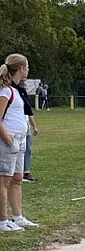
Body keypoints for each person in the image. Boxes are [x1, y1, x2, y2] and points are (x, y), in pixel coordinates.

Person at [0, 54, 38, 231]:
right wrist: (8, 139)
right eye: (27, 66)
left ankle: (18, 217)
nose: (28, 70)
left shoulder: (18, 90)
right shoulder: (6, 91)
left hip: (20, 139)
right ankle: (3, 221)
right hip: (9, 139)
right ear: (21, 68)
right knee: (4, 180)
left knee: (17, 179)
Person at [17, 80, 39, 182]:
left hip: (25, 126)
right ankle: (17, 172)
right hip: (16, 128)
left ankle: (26, 171)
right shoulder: (13, 93)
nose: (25, 84)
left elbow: (30, 113)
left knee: (27, 149)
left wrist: (34, 126)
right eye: (24, 82)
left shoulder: (24, 95)